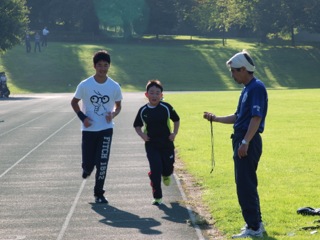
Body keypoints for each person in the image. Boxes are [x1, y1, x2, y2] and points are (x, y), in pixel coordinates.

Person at [203, 50, 268, 238]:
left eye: (233, 71)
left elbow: (256, 118)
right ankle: (255, 223)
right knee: (245, 183)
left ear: (243, 69)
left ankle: (254, 227)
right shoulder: (247, 89)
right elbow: (238, 117)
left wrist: (245, 142)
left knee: (245, 184)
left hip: (248, 139)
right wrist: (215, 118)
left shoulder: (256, 88)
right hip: (243, 138)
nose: (232, 75)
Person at [71, 50, 122, 204]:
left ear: (109, 66)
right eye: (99, 65)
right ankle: (86, 169)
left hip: (106, 129)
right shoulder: (85, 85)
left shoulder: (114, 86)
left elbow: (118, 106)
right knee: (89, 163)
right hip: (88, 130)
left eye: (105, 65)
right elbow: (74, 102)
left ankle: (99, 193)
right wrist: (83, 118)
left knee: (103, 162)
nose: (102, 68)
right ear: (94, 66)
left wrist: (112, 114)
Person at [133, 80, 180, 205]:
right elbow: (137, 126)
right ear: (146, 94)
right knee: (155, 170)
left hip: (167, 143)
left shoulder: (166, 107)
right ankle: (157, 197)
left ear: (161, 95)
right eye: (151, 93)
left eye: (157, 93)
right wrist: (143, 135)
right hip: (151, 144)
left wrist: (174, 133)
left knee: (167, 168)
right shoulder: (143, 110)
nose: (154, 95)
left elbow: (176, 120)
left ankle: (166, 174)